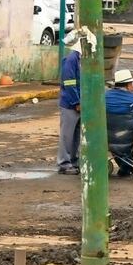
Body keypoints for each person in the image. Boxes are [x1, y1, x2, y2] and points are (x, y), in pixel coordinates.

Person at [57, 30, 82, 175]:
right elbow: (69, 83)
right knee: (67, 135)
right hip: (70, 105)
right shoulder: (72, 60)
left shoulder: (80, 59)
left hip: (78, 104)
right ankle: (64, 163)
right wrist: (76, 102)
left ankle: (73, 160)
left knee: (76, 135)